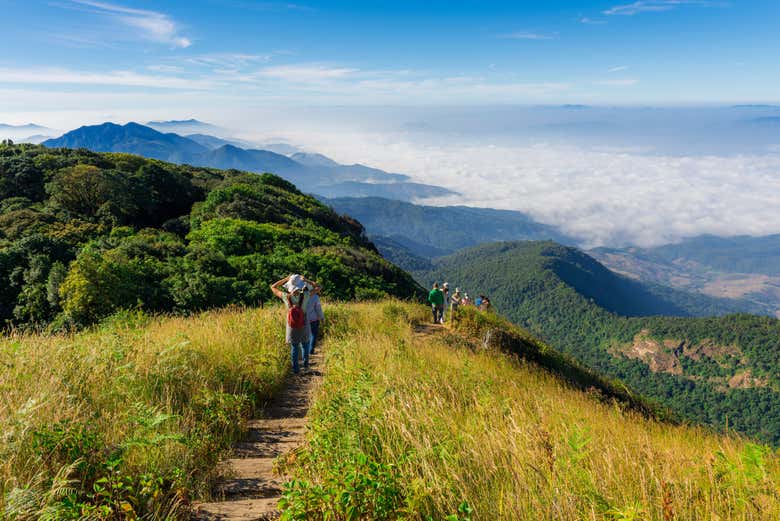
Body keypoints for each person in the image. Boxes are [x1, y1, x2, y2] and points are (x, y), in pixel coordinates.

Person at [270, 274, 320, 374]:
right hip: (304, 321)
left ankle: (296, 369)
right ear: (301, 286)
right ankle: (306, 366)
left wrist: (285, 279)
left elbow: (273, 287)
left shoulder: (285, 296)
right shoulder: (305, 295)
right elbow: (318, 287)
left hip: (291, 323)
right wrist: (307, 280)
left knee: (294, 346)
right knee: (305, 345)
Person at [306, 286, 325, 355]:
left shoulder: (300, 296)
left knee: (305, 335)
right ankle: (311, 350)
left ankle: (305, 351)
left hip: (303, 319)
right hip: (313, 319)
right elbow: (318, 308)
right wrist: (322, 317)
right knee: (313, 335)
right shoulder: (315, 297)